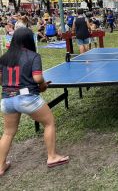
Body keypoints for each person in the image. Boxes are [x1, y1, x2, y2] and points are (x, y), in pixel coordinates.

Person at [0, 28, 69, 176]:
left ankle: (0, 165)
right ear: (29, 40)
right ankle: (52, 157)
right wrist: (43, 85)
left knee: (8, 133)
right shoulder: (33, 56)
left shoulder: (4, 58)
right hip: (27, 98)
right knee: (49, 123)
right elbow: (38, 79)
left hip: (7, 99)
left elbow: (1, 80)